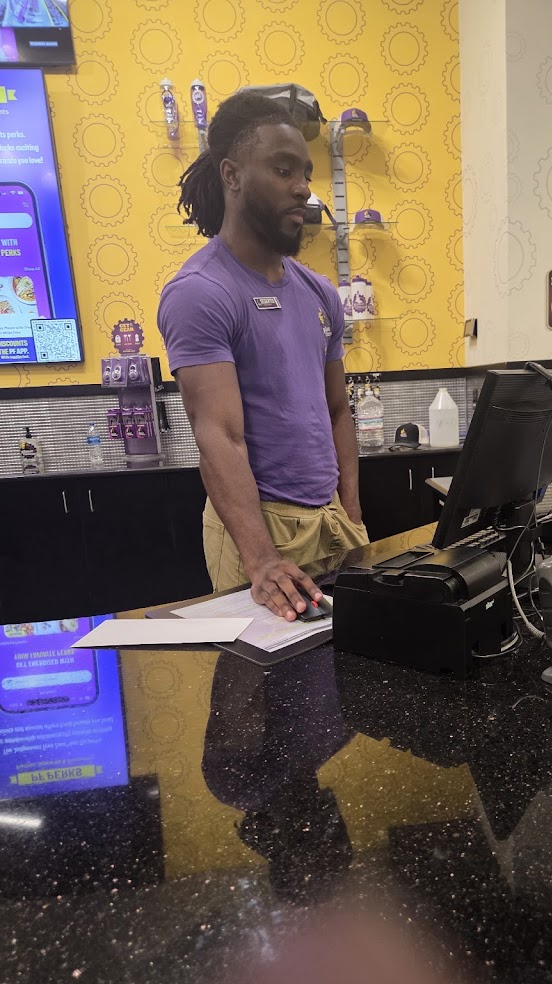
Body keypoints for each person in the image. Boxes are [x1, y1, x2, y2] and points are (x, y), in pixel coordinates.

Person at [158, 91, 367, 621]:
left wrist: (352, 512)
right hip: (261, 531)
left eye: (306, 173)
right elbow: (218, 436)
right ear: (232, 175)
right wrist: (261, 559)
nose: (303, 188)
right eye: (283, 170)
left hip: (331, 519)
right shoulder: (201, 292)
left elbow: (337, 411)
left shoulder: (320, 292)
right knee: (263, 675)